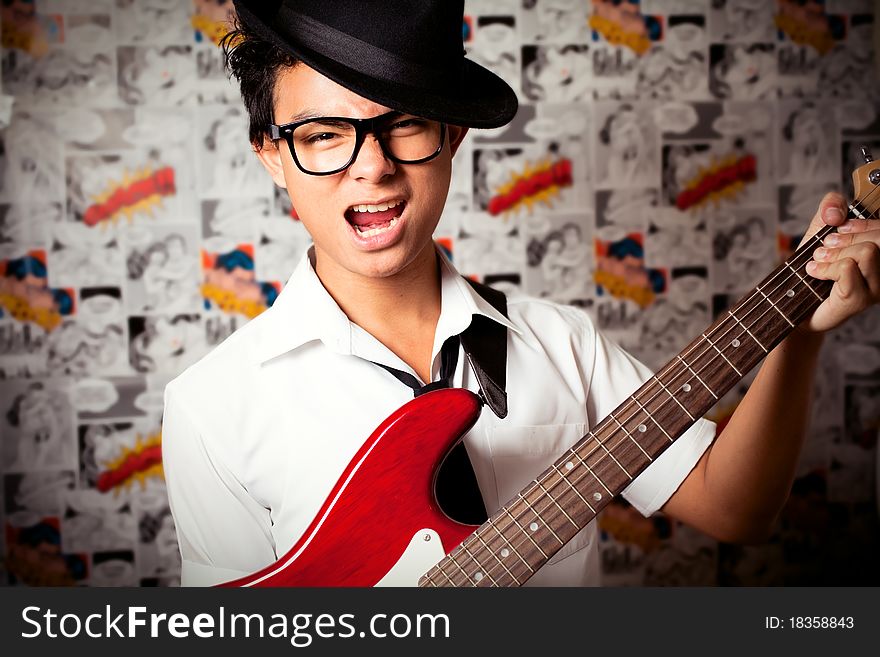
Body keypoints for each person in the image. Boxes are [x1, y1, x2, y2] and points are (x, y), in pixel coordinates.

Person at [162, 0, 880, 587]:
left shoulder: (560, 342)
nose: (371, 168)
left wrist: (803, 331)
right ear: (273, 156)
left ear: (452, 137)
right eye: (324, 135)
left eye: (403, 124)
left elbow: (737, 507)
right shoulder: (211, 409)